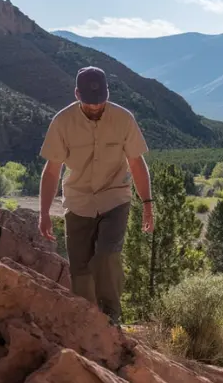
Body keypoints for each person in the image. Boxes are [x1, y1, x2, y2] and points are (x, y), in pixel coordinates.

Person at [37, 66, 154, 326]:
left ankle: (111, 316)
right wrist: (44, 213)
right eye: (89, 102)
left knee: (106, 255)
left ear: (107, 93)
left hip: (114, 198)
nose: (95, 106)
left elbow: (136, 163)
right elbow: (52, 170)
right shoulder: (62, 122)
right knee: (80, 269)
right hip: (78, 202)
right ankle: (87, 321)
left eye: (100, 100)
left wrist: (147, 204)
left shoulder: (124, 119)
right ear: (77, 93)